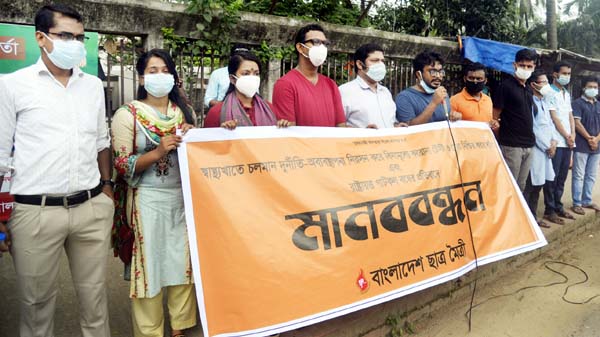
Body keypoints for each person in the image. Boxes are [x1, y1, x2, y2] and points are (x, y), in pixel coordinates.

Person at [0, 4, 114, 337]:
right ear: (41, 38)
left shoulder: (92, 86)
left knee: (96, 302)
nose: (75, 44)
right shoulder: (13, 85)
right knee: (36, 310)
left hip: (90, 208)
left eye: (80, 37)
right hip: (34, 212)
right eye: (65, 35)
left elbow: (101, 141)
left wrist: (106, 188)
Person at [111, 49, 197, 337]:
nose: (159, 76)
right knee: (148, 267)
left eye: (165, 70)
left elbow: (196, 154)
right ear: (141, 76)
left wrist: (193, 134)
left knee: (182, 264)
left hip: (181, 200)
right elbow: (122, 165)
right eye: (153, 70)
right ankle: (150, 331)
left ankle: (180, 327)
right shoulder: (128, 114)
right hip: (145, 200)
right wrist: (159, 150)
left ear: (173, 76)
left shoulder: (183, 113)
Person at [272, 23, 346, 127]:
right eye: (316, 42)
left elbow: (341, 126)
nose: (322, 47)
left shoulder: (331, 85)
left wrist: (366, 133)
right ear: (300, 47)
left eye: (325, 43)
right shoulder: (285, 84)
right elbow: (289, 131)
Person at [204, 50, 290, 128]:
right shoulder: (217, 113)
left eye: (256, 74)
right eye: (246, 73)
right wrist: (223, 132)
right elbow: (207, 142)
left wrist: (282, 127)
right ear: (232, 79)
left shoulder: (269, 109)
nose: (252, 78)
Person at [492, 48, 538, 192]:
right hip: (511, 145)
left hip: (529, 144)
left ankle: (517, 215)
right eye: (522, 65)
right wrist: (502, 139)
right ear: (515, 65)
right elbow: (495, 117)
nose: (525, 69)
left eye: (529, 66)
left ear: (534, 67)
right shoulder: (505, 87)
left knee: (521, 186)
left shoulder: (529, 89)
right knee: (509, 185)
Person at [339, 43, 407, 128]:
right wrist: (363, 133)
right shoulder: (345, 91)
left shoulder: (385, 92)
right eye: (375, 60)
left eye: (382, 61)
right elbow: (337, 127)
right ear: (360, 64)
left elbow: (391, 121)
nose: (381, 65)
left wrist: (396, 126)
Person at [522, 70, 557, 229]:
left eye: (546, 82)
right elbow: (534, 128)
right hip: (536, 149)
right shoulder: (530, 103)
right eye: (543, 82)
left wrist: (553, 143)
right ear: (533, 84)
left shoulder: (544, 102)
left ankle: (533, 216)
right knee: (531, 184)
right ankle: (528, 218)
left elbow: (550, 125)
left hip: (547, 149)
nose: (546, 85)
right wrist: (546, 146)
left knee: (540, 184)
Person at [543, 61, 576, 223]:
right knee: (552, 177)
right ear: (555, 74)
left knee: (562, 176)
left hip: (568, 141)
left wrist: (573, 134)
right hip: (555, 140)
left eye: (569, 74)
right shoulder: (548, 91)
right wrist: (567, 135)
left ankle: (558, 205)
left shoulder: (566, 92)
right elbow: (554, 118)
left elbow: (570, 116)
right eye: (564, 73)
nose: (566, 77)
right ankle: (549, 209)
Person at [395, 50, 461, 125]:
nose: (438, 76)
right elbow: (409, 129)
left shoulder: (442, 94)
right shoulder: (405, 97)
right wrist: (434, 103)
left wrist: (455, 116)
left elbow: (446, 120)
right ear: (418, 74)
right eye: (432, 72)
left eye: (440, 72)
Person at [571, 77, 600, 215]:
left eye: (595, 87)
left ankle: (586, 200)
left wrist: (596, 139)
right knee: (579, 174)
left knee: (591, 175)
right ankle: (577, 202)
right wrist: (589, 138)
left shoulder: (598, 104)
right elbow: (577, 123)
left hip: (596, 146)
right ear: (584, 88)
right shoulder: (577, 103)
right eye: (590, 86)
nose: (593, 89)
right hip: (582, 145)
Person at [450, 62, 498, 130]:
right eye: (471, 78)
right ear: (465, 79)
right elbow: (448, 125)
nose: (475, 81)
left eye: (479, 79)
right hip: (464, 140)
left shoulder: (488, 100)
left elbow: (489, 122)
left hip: (485, 139)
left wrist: (493, 123)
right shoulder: (454, 100)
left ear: (485, 81)